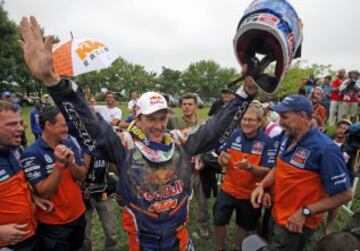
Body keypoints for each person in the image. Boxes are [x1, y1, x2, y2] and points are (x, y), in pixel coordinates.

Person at [18, 16, 258, 250]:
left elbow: (215, 128)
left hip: (179, 240)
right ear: (139, 119)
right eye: (151, 119)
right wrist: (53, 81)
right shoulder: (125, 146)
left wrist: (245, 93)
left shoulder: (182, 142)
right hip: (144, 243)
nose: (157, 124)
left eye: (162, 118)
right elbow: (93, 126)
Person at [251, 94, 353, 251]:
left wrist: (305, 212)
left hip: (295, 224)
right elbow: (279, 167)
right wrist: (262, 185)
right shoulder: (288, 136)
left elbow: (345, 194)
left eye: (285, 117)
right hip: (277, 213)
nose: (280, 121)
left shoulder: (325, 149)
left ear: (303, 116)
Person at [20, 106, 87, 251]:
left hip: (78, 215)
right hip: (55, 225)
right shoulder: (31, 154)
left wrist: (71, 163)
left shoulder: (68, 143)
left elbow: (82, 176)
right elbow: (43, 192)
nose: (67, 129)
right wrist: (60, 164)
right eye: (63, 125)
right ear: (48, 125)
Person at [215, 102, 276, 251]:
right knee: (218, 221)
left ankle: (238, 248)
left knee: (244, 225)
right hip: (228, 189)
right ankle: (219, 248)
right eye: (244, 119)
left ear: (260, 122)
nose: (246, 123)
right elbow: (222, 156)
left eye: (251, 120)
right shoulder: (234, 134)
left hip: (249, 194)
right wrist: (222, 159)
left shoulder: (267, 142)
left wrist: (249, 167)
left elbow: (268, 171)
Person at [0, 100, 53, 250]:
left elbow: (19, 184)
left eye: (19, 122)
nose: (20, 129)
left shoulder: (14, 151)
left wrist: (34, 198)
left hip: (33, 234)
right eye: (11, 124)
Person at [167, 93, 210, 239]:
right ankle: (175, 228)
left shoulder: (204, 124)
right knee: (176, 201)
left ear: (196, 106)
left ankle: (203, 227)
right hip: (179, 171)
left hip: (198, 171)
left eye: (190, 104)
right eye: (184, 104)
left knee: (202, 202)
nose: (187, 107)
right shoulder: (174, 120)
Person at [81, 150, 119, 251]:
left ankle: (112, 248)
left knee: (111, 231)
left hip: (103, 194)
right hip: (84, 196)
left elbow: (114, 168)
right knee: (84, 236)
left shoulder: (103, 144)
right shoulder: (77, 143)